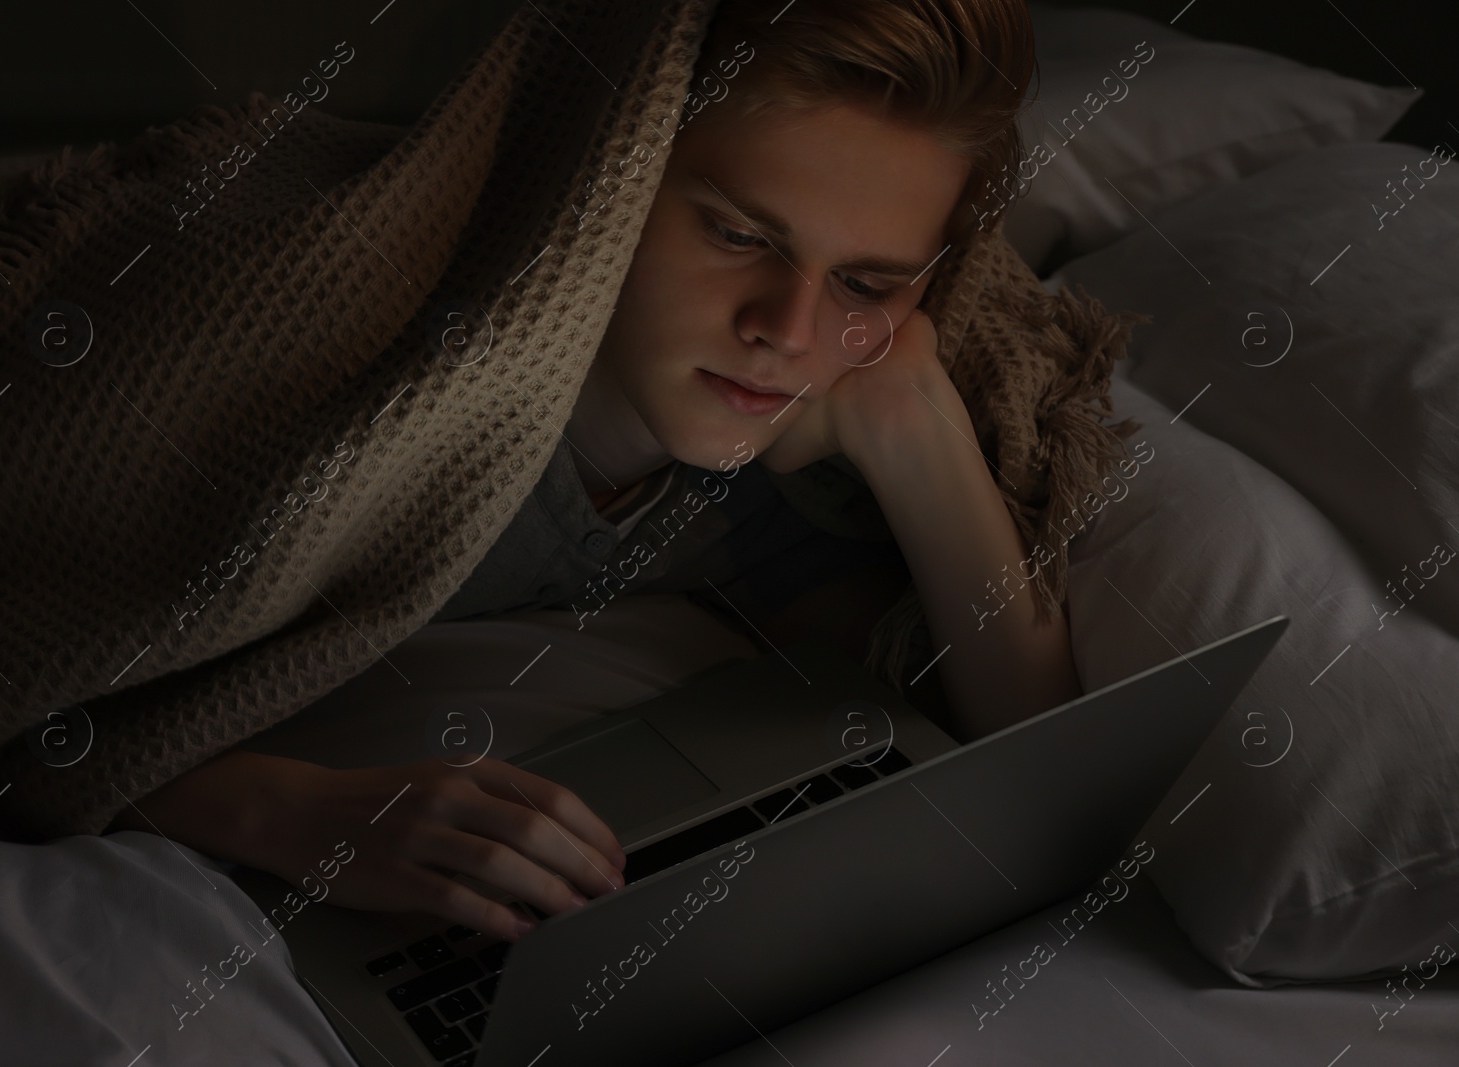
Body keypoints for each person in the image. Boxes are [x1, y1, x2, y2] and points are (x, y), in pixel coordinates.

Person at [108, 0, 1076, 946]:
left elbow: (1039, 756)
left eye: (864, 282)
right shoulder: (355, 405)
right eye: (738, 236)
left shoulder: (779, 473)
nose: (784, 332)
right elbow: (8, 706)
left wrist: (914, 417)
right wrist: (287, 812)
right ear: (610, 174)